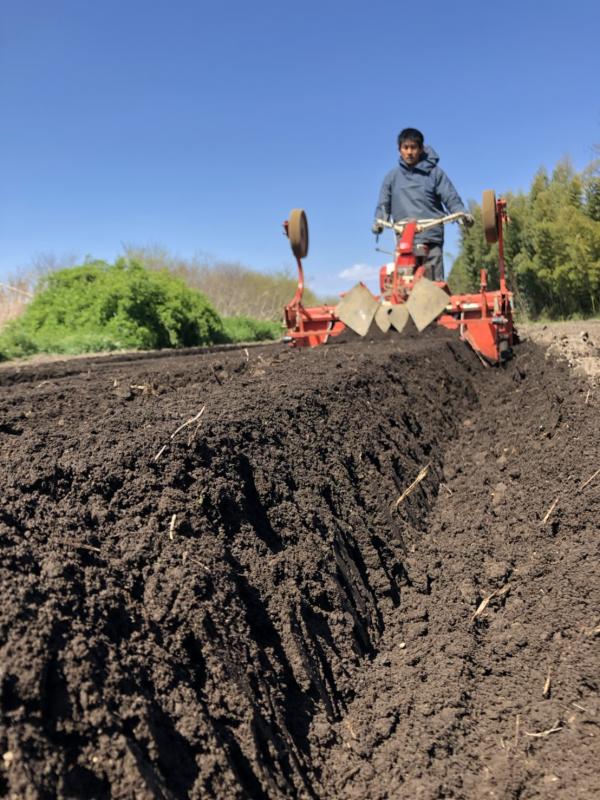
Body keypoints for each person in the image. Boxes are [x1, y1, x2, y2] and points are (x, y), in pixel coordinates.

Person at [373, 128, 472, 281]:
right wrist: (379, 221)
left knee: (434, 287)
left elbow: (450, 196)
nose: (409, 152)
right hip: (404, 236)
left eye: (413, 147)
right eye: (405, 148)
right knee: (402, 284)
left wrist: (461, 213)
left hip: (431, 236)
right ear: (399, 150)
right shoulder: (392, 178)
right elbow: (384, 204)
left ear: (420, 149)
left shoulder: (434, 173)